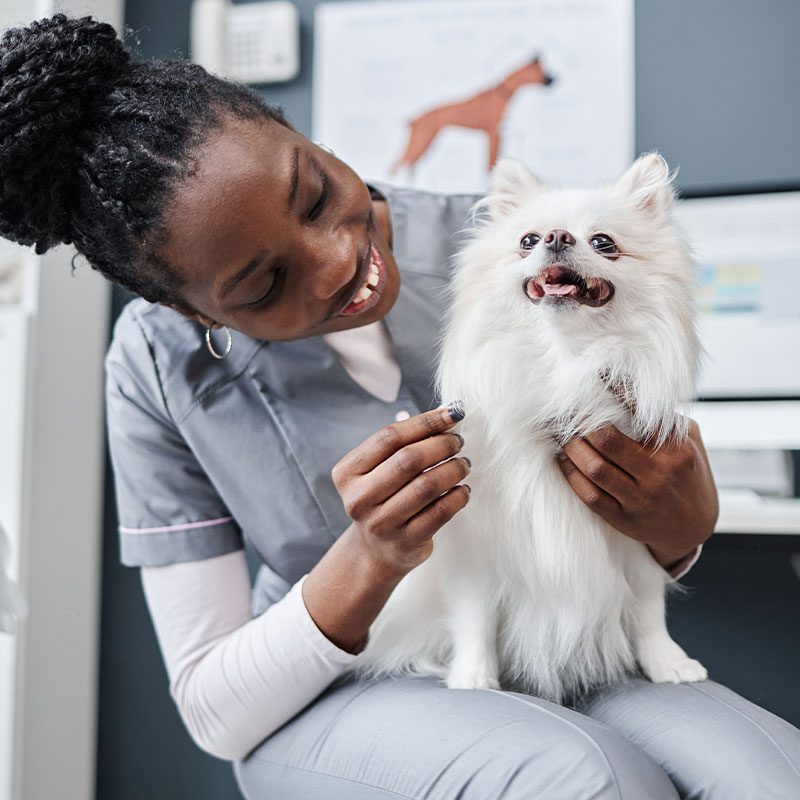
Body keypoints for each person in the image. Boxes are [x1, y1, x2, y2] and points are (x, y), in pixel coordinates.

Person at [1, 14, 798, 800]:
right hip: (345, 681)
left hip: (569, 639)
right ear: (198, 316)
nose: (341, 261)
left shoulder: (503, 241)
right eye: (264, 285)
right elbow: (216, 712)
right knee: (586, 779)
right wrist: (370, 558)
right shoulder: (152, 367)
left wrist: (681, 524)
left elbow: (636, 503)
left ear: (301, 133)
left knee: (764, 775)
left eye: (314, 194)